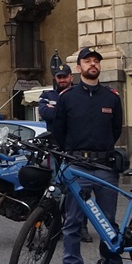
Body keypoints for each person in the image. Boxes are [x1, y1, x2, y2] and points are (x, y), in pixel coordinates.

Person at [53, 48, 128, 264]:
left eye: (96, 61)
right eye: (87, 61)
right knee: (73, 223)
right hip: (77, 167)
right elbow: (59, 132)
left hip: (105, 166)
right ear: (79, 68)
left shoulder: (112, 97)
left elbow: (116, 130)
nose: (92, 64)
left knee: (109, 223)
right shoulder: (67, 98)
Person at [38, 62, 92, 243]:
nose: (62, 79)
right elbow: (46, 114)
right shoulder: (47, 95)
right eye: (59, 76)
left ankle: (82, 227)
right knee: (55, 189)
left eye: (65, 76)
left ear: (71, 77)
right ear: (55, 78)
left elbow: (79, 116)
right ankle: (55, 226)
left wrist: (57, 111)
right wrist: (64, 112)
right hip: (54, 150)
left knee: (79, 190)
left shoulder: (78, 94)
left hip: (74, 150)